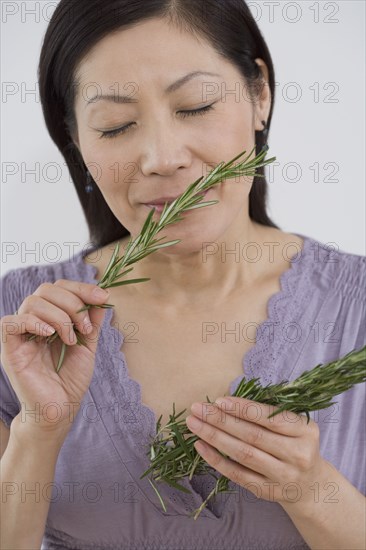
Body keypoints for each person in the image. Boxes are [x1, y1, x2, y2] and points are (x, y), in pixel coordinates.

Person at [1, 1, 365, 549]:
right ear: (77, 142)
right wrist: (39, 430)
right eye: (116, 125)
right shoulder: (21, 321)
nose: (162, 157)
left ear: (259, 95)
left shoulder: (354, 307)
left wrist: (313, 490)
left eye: (195, 107)